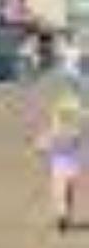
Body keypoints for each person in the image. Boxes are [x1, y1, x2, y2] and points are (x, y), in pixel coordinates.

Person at [40, 94, 85, 233]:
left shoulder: (55, 131)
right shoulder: (73, 131)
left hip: (60, 167)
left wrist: (47, 148)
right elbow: (77, 145)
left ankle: (62, 215)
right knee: (67, 192)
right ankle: (64, 215)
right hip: (71, 167)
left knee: (60, 192)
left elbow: (42, 146)